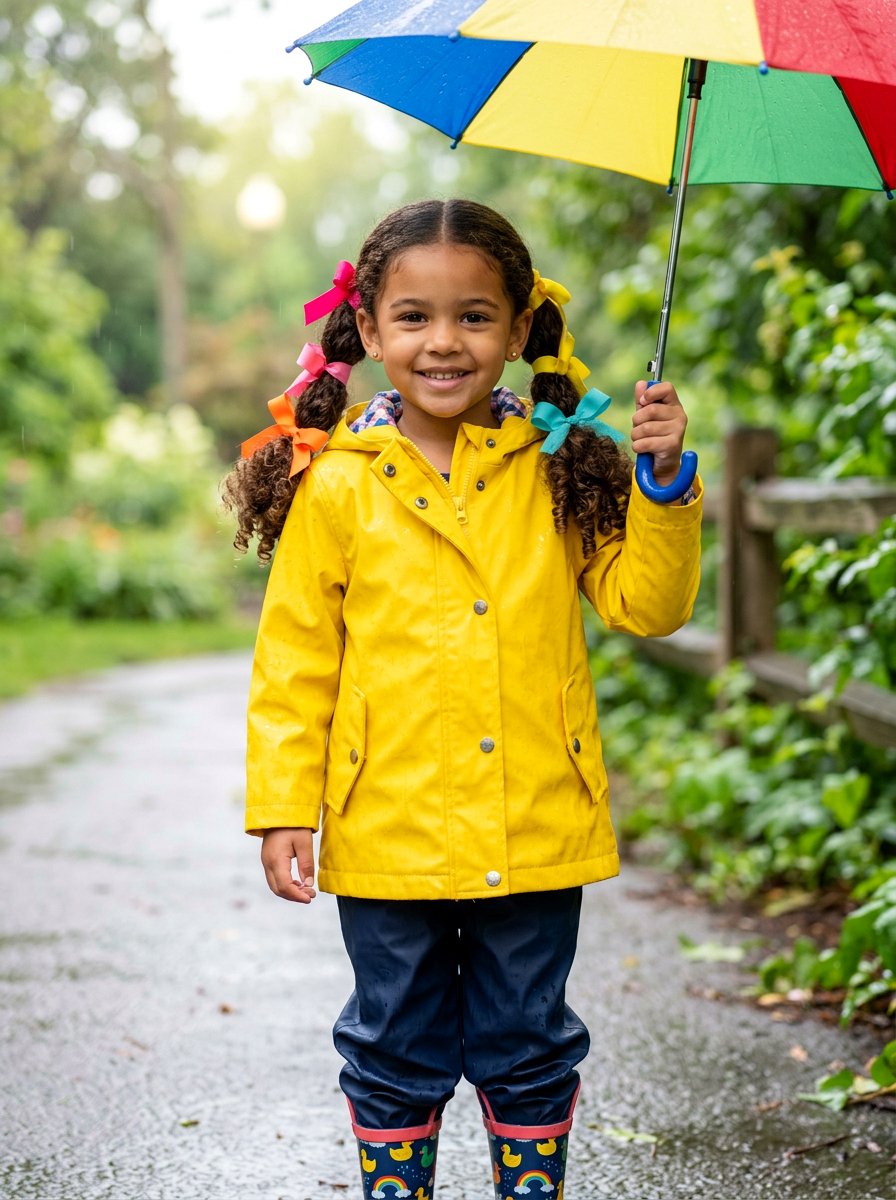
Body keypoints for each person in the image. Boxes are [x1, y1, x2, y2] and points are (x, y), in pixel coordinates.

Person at [223, 198, 702, 1199]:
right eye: (415, 317)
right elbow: (294, 660)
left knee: (528, 1036)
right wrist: (280, 808)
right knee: (392, 1039)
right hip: (385, 825)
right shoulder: (339, 486)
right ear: (367, 326)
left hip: (533, 818)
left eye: (475, 316)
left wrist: (658, 484)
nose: (444, 342)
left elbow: (645, 606)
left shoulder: (556, 463)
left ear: (521, 329)